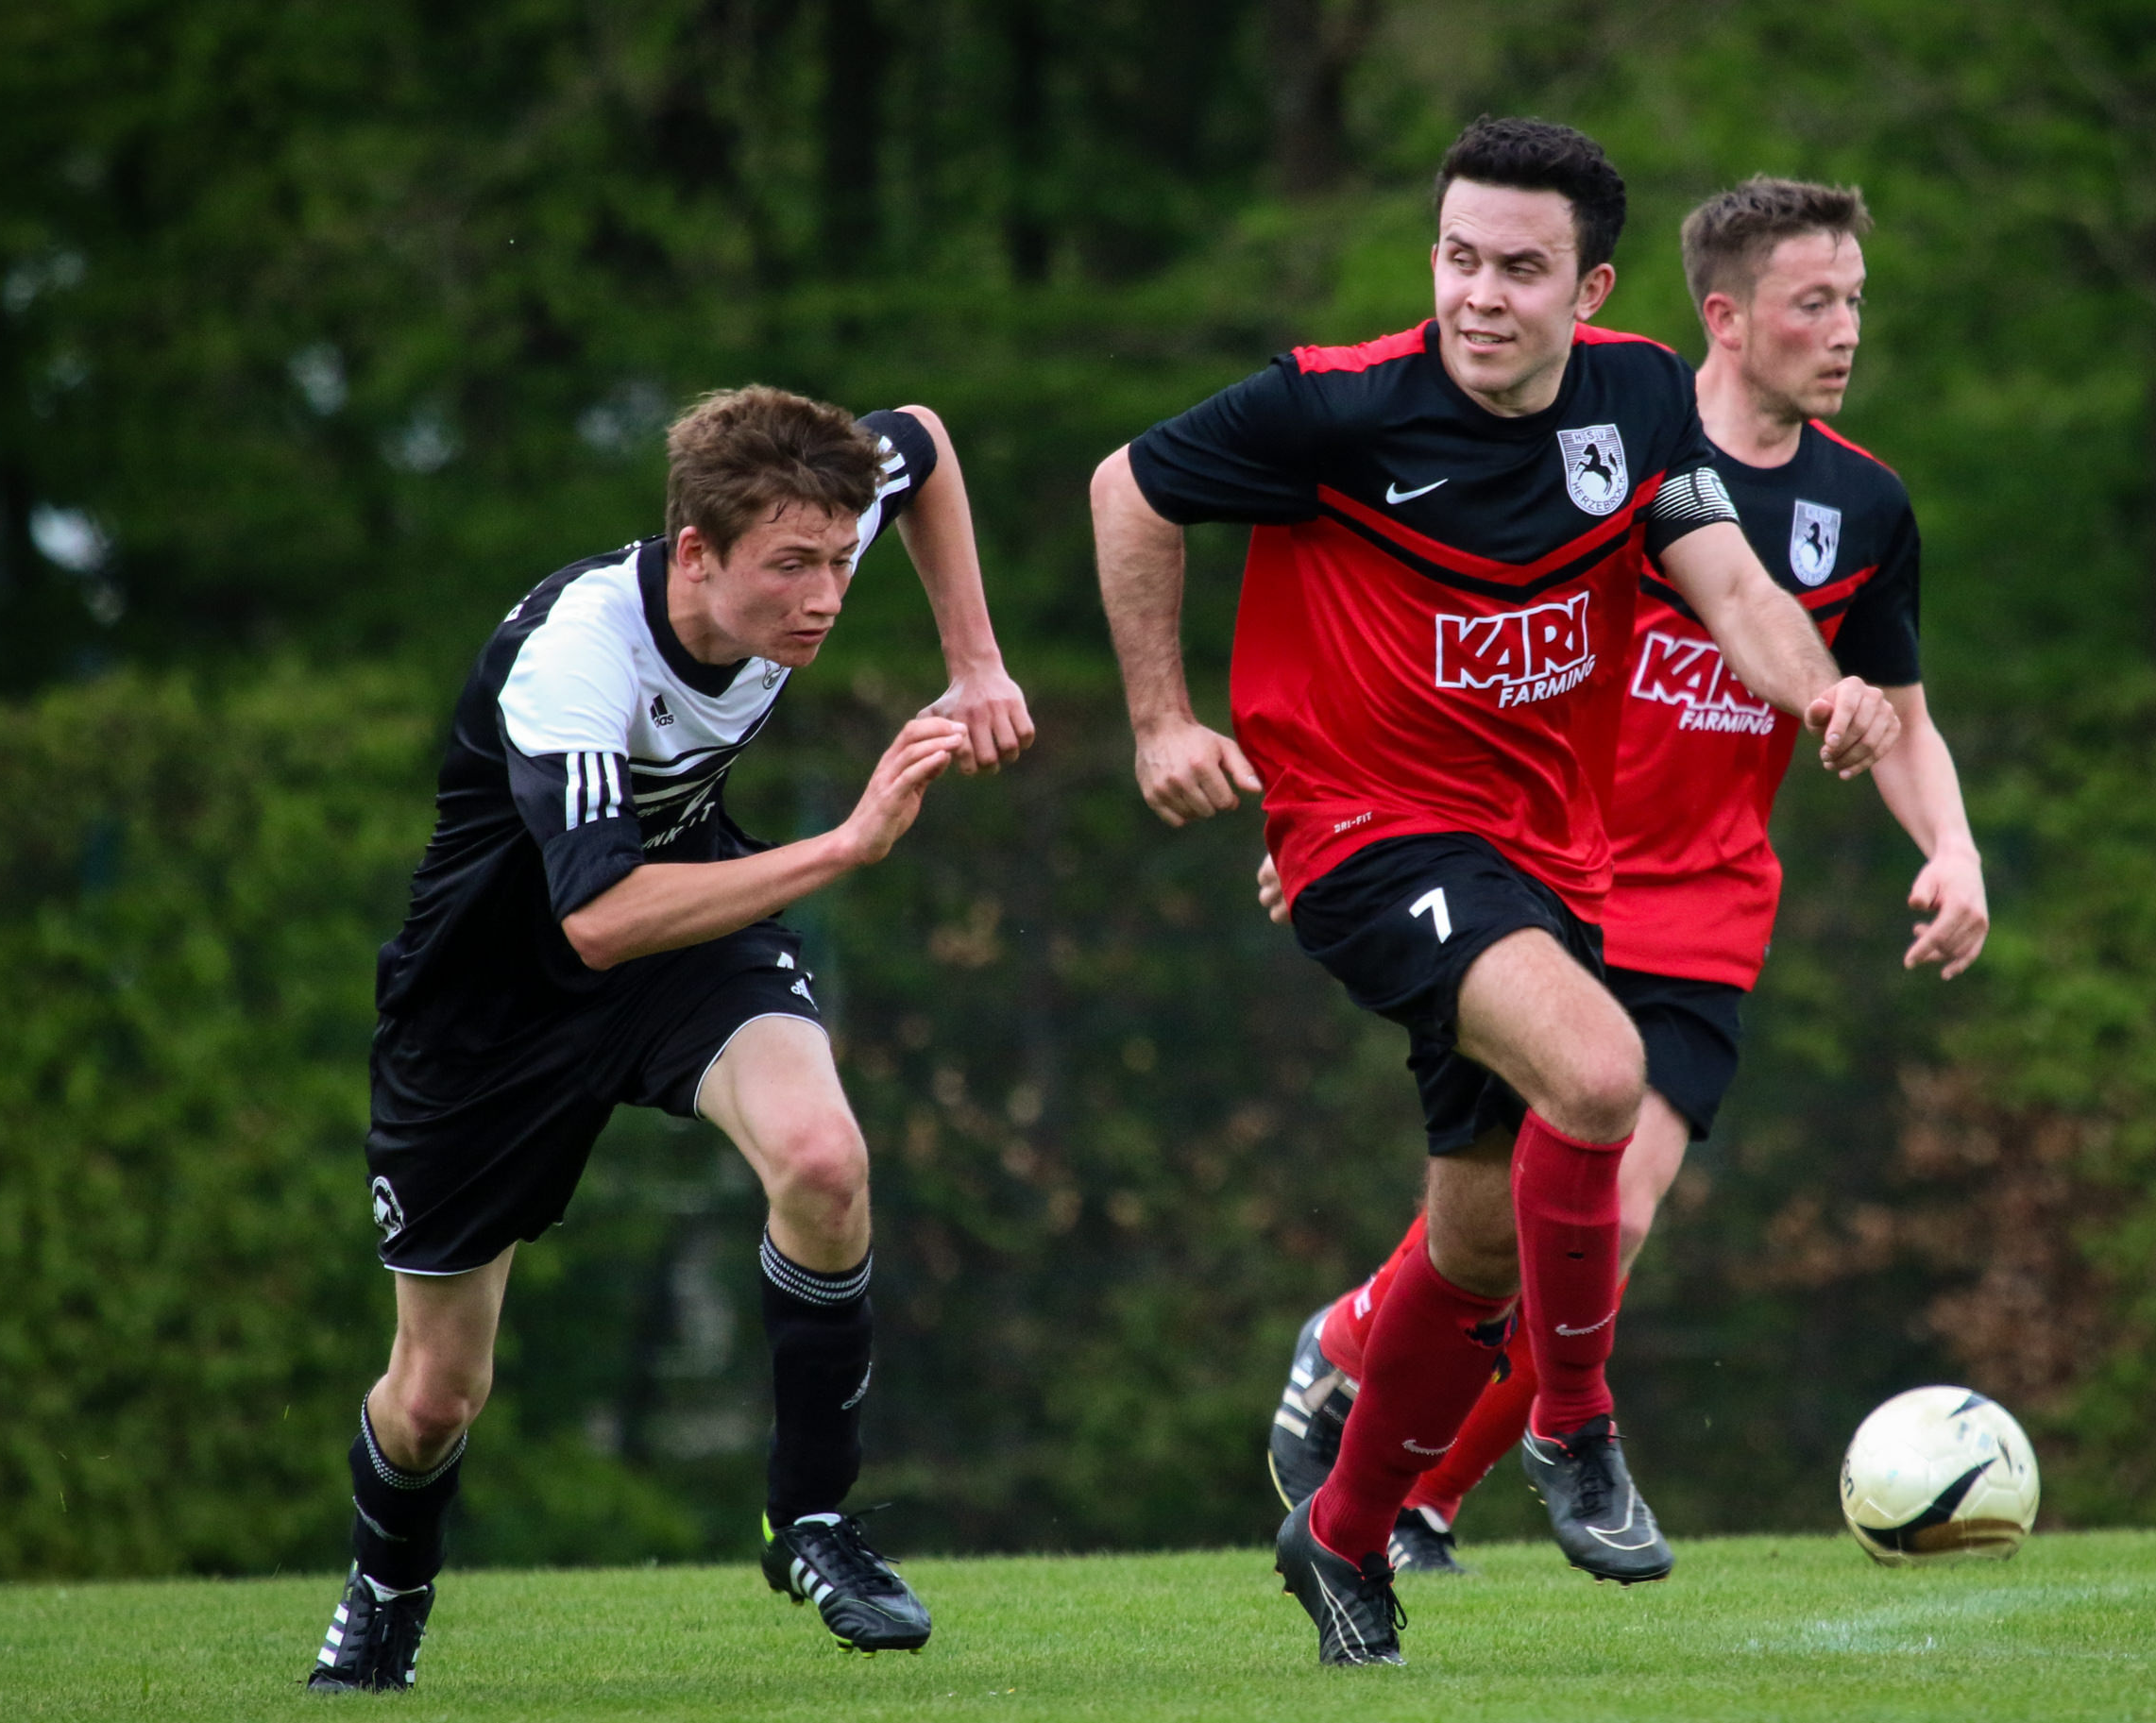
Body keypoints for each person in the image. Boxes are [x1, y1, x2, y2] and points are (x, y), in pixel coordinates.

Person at [1092, 120, 1901, 1665]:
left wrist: (1820, 692)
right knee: (1598, 1072)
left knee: (1471, 1246)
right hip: (1363, 835)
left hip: (1543, 857)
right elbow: (1126, 486)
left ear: (1587, 290)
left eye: (1519, 268)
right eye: (1458, 258)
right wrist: (1158, 719)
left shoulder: (1638, 397)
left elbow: (1729, 578)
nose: (1477, 294)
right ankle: (1574, 1426)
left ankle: (1340, 1537)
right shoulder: (1333, 404)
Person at [1264, 176, 1988, 1576]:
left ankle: (1416, 1494)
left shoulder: (1864, 503)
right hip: (1549, 876)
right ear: (1725, 317)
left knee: (1615, 1219)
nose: (1846, 331)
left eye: (1854, 301)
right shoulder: (1603, 450)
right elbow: (1414, 649)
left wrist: (1949, 849)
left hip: (1709, 906)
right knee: (1516, 1227)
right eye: (1813, 303)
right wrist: (1331, 827)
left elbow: (1898, 708)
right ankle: (1361, 1363)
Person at [306, 386, 1033, 1691]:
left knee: (823, 1160)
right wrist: (845, 846)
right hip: (490, 1005)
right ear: (696, 552)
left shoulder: (806, 520)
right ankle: (387, 1589)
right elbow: (595, 919)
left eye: (837, 560)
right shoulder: (577, 656)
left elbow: (923, 438)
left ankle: (811, 1518)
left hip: (686, 927)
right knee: (434, 1398)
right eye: (791, 568)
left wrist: (975, 662)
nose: (824, 597)